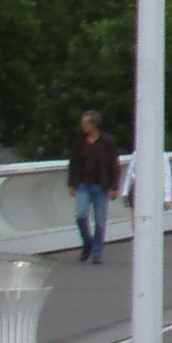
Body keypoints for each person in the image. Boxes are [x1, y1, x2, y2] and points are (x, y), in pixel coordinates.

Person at [68, 111, 119, 265]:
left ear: (93, 124)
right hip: (83, 184)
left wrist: (113, 187)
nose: (82, 126)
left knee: (100, 220)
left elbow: (113, 165)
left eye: (85, 123)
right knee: (81, 215)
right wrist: (72, 183)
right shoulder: (80, 142)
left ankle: (97, 252)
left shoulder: (107, 142)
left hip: (100, 185)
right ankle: (88, 242)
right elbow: (74, 163)